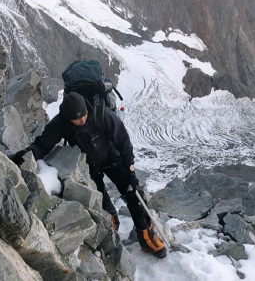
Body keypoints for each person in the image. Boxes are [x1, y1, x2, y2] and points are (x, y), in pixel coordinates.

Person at [10, 91, 167, 259]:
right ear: (68, 117)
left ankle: (146, 237)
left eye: (84, 115)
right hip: (88, 165)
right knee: (99, 199)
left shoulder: (101, 114)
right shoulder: (61, 122)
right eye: (77, 119)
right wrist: (25, 155)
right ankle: (111, 223)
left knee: (132, 192)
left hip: (111, 157)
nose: (83, 120)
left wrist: (130, 171)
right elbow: (43, 144)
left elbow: (123, 141)